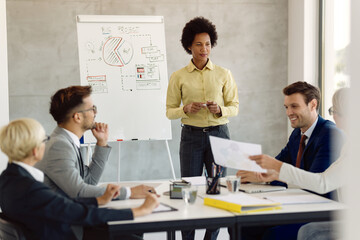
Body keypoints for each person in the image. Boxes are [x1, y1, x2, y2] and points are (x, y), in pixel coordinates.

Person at [0, 118, 159, 240]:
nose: (46, 143)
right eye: (44, 140)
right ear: (35, 150)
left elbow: (59, 203)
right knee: (129, 233)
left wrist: (99, 200)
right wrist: (139, 211)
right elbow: (79, 213)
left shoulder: (8, 178)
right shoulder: (30, 189)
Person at [236, 81, 344, 240]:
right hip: (296, 204)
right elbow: (279, 162)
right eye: (286, 107)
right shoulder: (297, 134)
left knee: (273, 235)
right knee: (245, 227)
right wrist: (257, 174)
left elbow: (313, 184)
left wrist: (272, 177)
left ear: (313, 104)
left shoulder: (329, 134)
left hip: (318, 210)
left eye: (294, 106)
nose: (288, 112)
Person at [166, 16, 239, 240]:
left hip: (219, 136)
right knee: (187, 190)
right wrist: (185, 109)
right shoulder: (178, 76)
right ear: (189, 46)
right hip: (191, 137)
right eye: (198, 44)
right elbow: (169, 111)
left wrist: (220, 110)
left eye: (207, 44)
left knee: (216, 191)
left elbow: (234, 107)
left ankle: (211, 238)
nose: (204, 48)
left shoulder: (223, 74)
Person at [35, 85, 156, 200]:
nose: (95, 113)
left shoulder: (66, 141)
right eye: (92, 109)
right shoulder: (59, 145)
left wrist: (102, 142)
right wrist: (129, 192)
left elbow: (90, 181)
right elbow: (79, 191)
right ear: (77, 117)